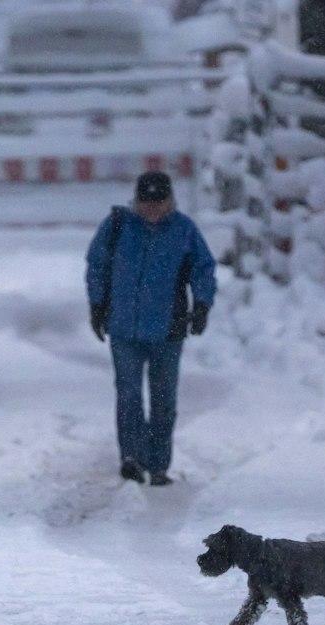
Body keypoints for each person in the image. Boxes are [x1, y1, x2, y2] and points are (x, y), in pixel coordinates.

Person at [85, 171, 217, 486]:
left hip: (168, 330)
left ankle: (158, 464)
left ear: (170, 201)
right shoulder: (117, 226)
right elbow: (97, 266)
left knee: (163, 399)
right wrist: (97, 305)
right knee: (128, 393)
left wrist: (201, 305)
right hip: (123, 329)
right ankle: (131, 457)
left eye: (160, 202)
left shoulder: (184, 230)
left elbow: (204, 269)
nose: (153, 210)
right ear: (137, 200)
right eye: (147, 202)